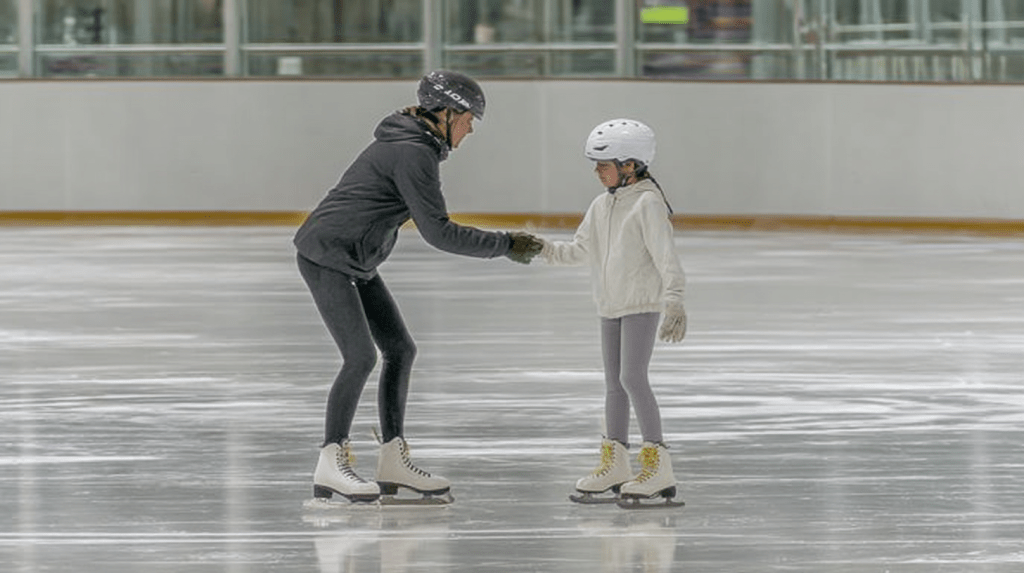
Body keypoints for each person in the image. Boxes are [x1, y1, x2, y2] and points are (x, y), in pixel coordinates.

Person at [294, 70, 545, 503]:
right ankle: (331, 461)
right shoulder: (413, 152)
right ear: (445, 114)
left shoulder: (414, 145)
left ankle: (392, 458)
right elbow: (439, 232)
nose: (469, 130)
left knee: (400, 350)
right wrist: (507, 245)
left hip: (357, 257)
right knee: (359, 357)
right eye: (467, 119)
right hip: (327, 254)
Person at [537, 119, 687, 504]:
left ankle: (657, 465)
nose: (596, 171)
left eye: (603, 164)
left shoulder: (648, 203)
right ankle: (616, 463)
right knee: (613, 384)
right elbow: (578, 250)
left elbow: (666, 257)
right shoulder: (601, 205)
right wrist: (535, 248)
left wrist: (674, 300)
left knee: (633, 377)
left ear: (630, 165)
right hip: (609, 305)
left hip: (640, 303)